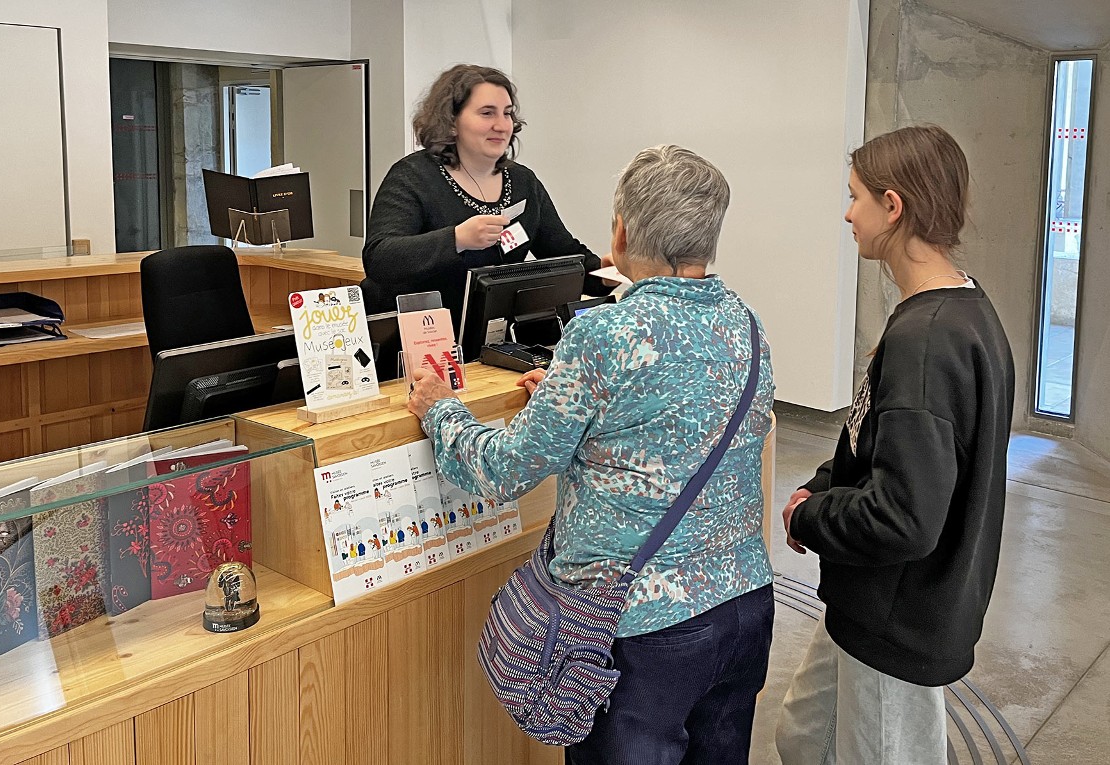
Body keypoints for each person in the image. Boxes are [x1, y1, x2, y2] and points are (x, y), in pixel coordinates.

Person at [407, 145, 775, 765]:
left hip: (641, 627)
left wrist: (441, 409)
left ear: (622, 232)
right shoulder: (746, 322)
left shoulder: (604, 334)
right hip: (744, 606)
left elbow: (503, 469)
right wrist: (568, 404)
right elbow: (678, 419)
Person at [775, 125, 1014, 764]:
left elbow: (902, 517)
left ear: (893, 206)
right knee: (803, 736)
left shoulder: (927, 340)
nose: (847, 214)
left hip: (897, 615)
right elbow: (879, 438)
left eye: (856, 197)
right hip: (869, 603)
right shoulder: (958, 308)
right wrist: (824, 485)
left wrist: (810, 518)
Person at [361, 64, 610, 329]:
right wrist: (456, 239)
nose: (501, 126)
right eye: (487, 113)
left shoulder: (523, 181)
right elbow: (380, 258)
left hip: (485, 334)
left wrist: (606, 273)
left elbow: (563, 256)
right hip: (413, 336)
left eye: (507, 114)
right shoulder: (413, 176)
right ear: (451, 122)